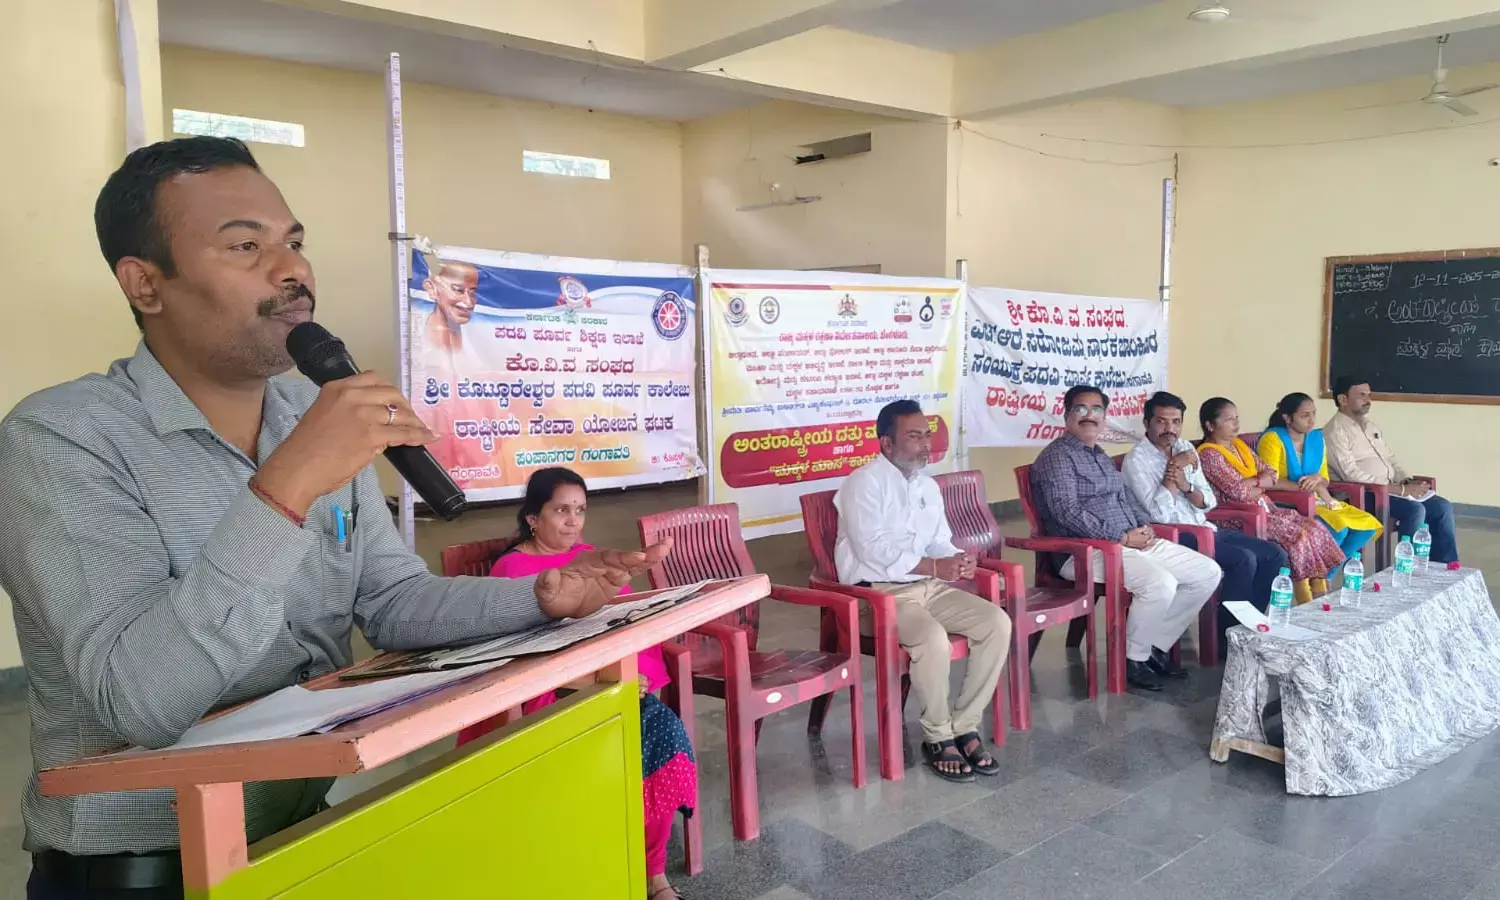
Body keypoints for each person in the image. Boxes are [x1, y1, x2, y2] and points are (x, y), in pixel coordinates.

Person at [0, 136, 669, 900]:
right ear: (145, 283)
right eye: (246, 246)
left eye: (294, 242)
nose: (291, 271)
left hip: (308, 845)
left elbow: (392, 601)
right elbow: (144, 700)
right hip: (144, 877)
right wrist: (287, 486)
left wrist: (539, 598)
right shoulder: (58, 441)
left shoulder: (308, 413)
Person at [455, 469, 693, 900]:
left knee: (663, 735)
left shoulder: (590, 559)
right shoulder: (513, 568)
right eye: (561, 510)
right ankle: (592, 863)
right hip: (545, 697)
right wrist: (594, 680)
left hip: (611, 685)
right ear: (533, 518)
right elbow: (518, 655)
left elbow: (619, 624)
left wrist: (629, 675)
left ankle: (654, 874)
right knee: (607, 749)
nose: (573, 521)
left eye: (580, 510)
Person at [834, 399, 1012, 783]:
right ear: (887, 443)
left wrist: (956, 560)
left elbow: (939, 541)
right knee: (932, 639)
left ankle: (964, 725)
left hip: (927, 587)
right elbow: (873, 551)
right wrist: (933, 566)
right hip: (877, 596)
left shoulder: (927, 486)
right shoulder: (864, 483)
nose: (925, 443)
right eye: (914, 436)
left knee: (997, 622)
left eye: (926, 435)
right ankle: (938, 736)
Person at [1030, 386, 1223, 692]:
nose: (1090, 416)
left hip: (1128, 542)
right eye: (1081, 409)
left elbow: (1124, 498)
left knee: (1207, 572)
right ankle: (1133, 659)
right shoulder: (1058, 458)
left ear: (1104, 418)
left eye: (1097, 410)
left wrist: (1143, 527)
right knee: (1160, 582)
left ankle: (1153, 646)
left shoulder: (1098, 454)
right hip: (1083, 551)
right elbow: (1067, 513)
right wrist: (1120, 536)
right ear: (1066, 415)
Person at [1123, 391, 1288, 646]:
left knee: (1274, 554)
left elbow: (1208, 500)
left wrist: (1187, 487)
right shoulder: (1137, 461)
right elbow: (1158, 515)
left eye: (1176, 422)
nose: (1170, 429)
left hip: (1203, 527)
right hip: (1170, 536)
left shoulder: (1185, 448)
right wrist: (1173, 471)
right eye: (1161, 422)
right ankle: (1226, 641)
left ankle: (1245, 628)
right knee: (1243, 560)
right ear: (1147, 423)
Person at [1197, 398, 1345, 605]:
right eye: (1229, 420)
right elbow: (1238, 493)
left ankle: (1319, 589)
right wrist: (1260, 483)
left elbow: (1271, 473)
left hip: (1265, 508)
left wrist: (1253, 483)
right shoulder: (1209, 455)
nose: (1236, 424)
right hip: (1239, 516)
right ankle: (1304, 597)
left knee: (1314, 527)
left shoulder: (1238, 446)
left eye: (1237, 418)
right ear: (1210, 425)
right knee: (1297, 535)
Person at [1324, 376, 1458, 563]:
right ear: (1343, 399)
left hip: (1390, 489)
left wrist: (1406, 481)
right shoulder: (1334, 431)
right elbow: (1350, 474)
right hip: (1361, 495)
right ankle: (1407, 568)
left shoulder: (1370, 426)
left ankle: (1444, 567)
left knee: (1442, 507)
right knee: (1415, 510)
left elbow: (1390, 459)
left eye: (1369, 395)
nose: (1368, 400)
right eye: (1361, 395)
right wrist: (1399, 490)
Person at [1258, 392, 1383, 561]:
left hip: (1317, 500)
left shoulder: (1317, 438)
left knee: (1366, 527)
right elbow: (1270, 480)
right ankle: (1317, 573)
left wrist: (1317, 479)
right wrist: (1308, 486)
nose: (1311, 420)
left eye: (1313, 414)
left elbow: (1325, 479)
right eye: (1304, 415)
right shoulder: (1272, 439)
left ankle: (1326, 572)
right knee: (1338, 529)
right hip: (1286, 503)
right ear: (1287, 418)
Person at [422, 258, 479, 354]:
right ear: (432, 289)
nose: (468, 303)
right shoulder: (418, 334)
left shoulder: (474, 338)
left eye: (472, 293)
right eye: (458, 290)